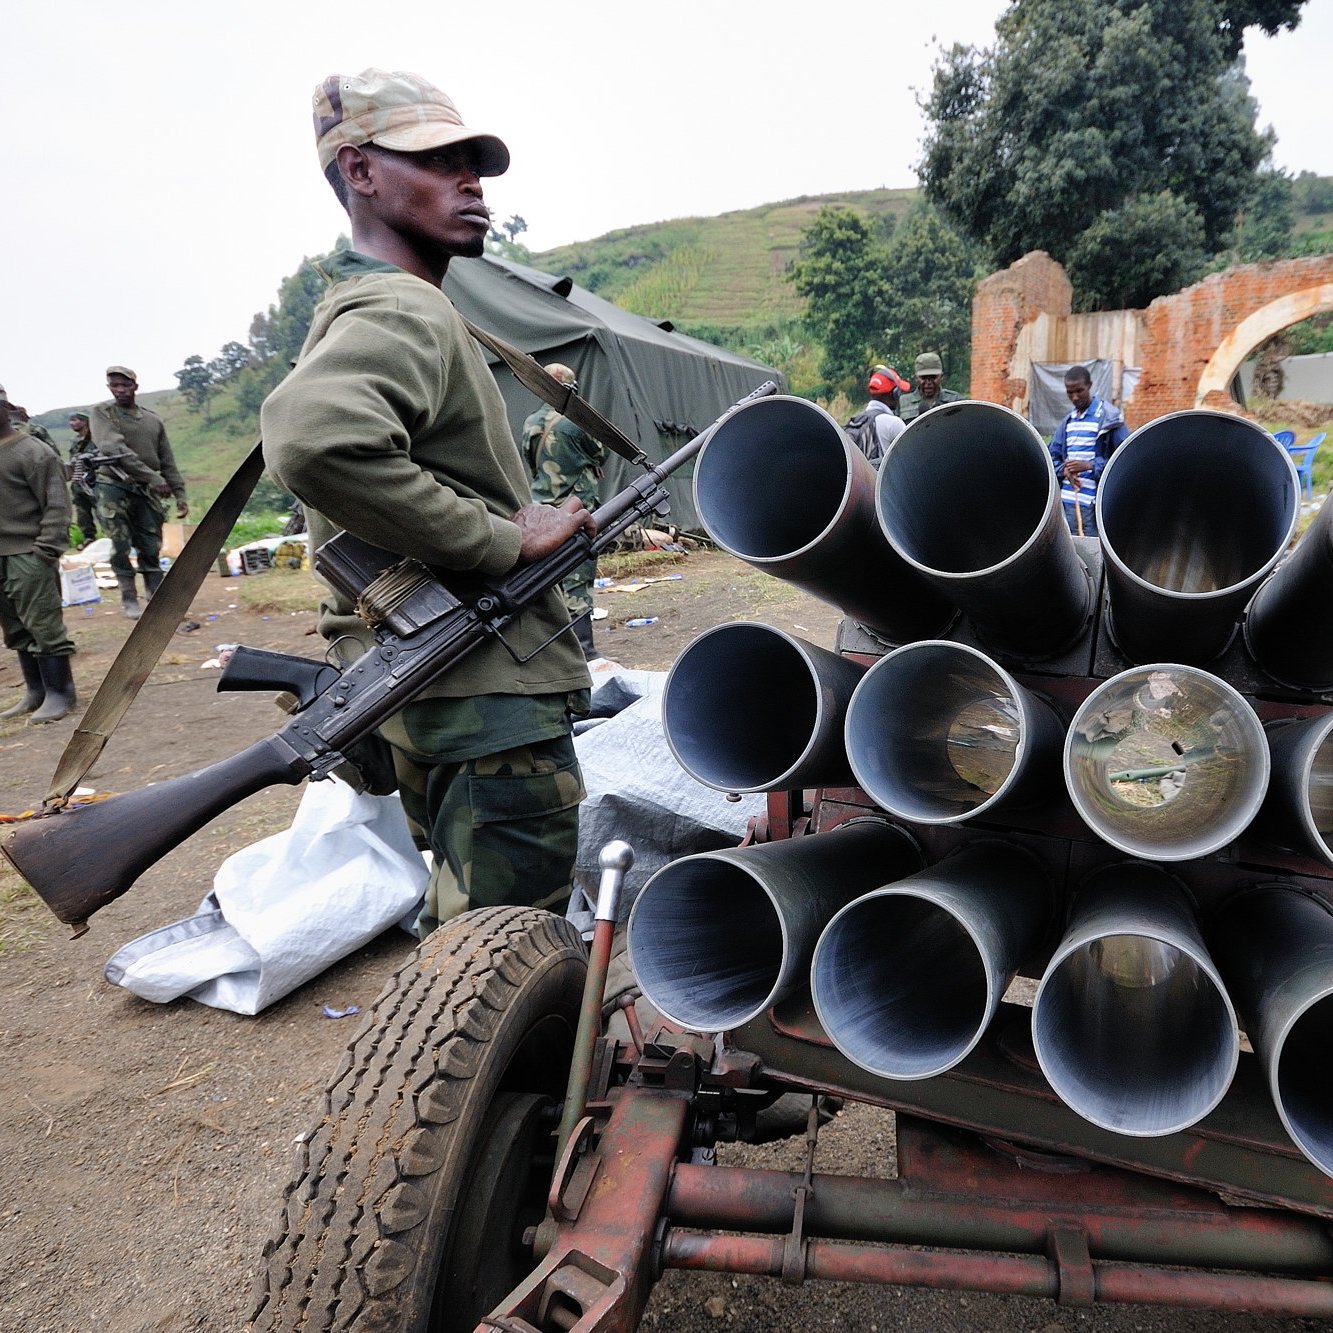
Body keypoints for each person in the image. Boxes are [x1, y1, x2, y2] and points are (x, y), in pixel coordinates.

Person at [261, 68, 594, 933]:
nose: (470, 180)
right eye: (435, 159)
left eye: (471, 161)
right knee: (504, 956)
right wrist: (499, 540)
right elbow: (311, 438)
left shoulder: (361, 304)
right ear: (360, 173)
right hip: (481, 697)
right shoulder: (404, 306)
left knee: (459, 935)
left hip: (429, 683)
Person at [0, 384, 77, 724]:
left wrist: (45, 550)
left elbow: (58, 505)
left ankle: (61, 694)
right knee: (15, 627)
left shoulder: (33, 452)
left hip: (28, 553)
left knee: (43, 625)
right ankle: (35, 691)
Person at [90, 366, 189, 619]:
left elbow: (166, 459)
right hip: (113, 485)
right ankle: (128, 598)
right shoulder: (103, 413)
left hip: (145, 491)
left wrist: (179, 494)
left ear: (135, 386)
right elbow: (113, 448)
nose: (120, 390)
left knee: (150, 543)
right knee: (120, 542)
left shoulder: (152, 420)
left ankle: (156, 598)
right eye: (114, 385)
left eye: (125, 385)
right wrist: (154, 478)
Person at [522, 363, 606, 660]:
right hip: (575, 510)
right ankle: (585, 649)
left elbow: (530, 465)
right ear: (571, 388)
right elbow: (599, 452)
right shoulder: (576, 423)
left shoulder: (531, 422)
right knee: (578, 576)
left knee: (545, 578)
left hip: (541, 510)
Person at [1047, 365, 1128, 539]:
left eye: (1079, 391)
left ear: (1090, 385)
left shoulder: (1108, 419)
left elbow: (1124, 460)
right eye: (1070, 392)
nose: (1075, 397)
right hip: (1067, 502)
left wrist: (1090, 466)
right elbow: (1051, 458)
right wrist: (1064, 470)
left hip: (1095, 506)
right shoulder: (1067, 422)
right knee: (1071, 551)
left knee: (1094, 554)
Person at [846, 365, 910, 468]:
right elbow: (911, 460)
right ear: (895, 393)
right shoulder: (894, 423)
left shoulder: (858, 420)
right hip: (884, 483)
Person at [898, 352, 962, 422]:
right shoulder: (902, 403)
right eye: (924, 378)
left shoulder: (955, 401)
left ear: (941, 377)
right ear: (916, 378)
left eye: (933, 377)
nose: (928, 382)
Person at [67, 411, 100, 545]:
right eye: (71, 420)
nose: (72, 423)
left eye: (75, 420)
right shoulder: (75, 441)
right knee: (82, 513)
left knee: (103, 511)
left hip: (95, 481)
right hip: (79, 482)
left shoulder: (96, 438)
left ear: (85, 421)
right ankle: (89, 538)